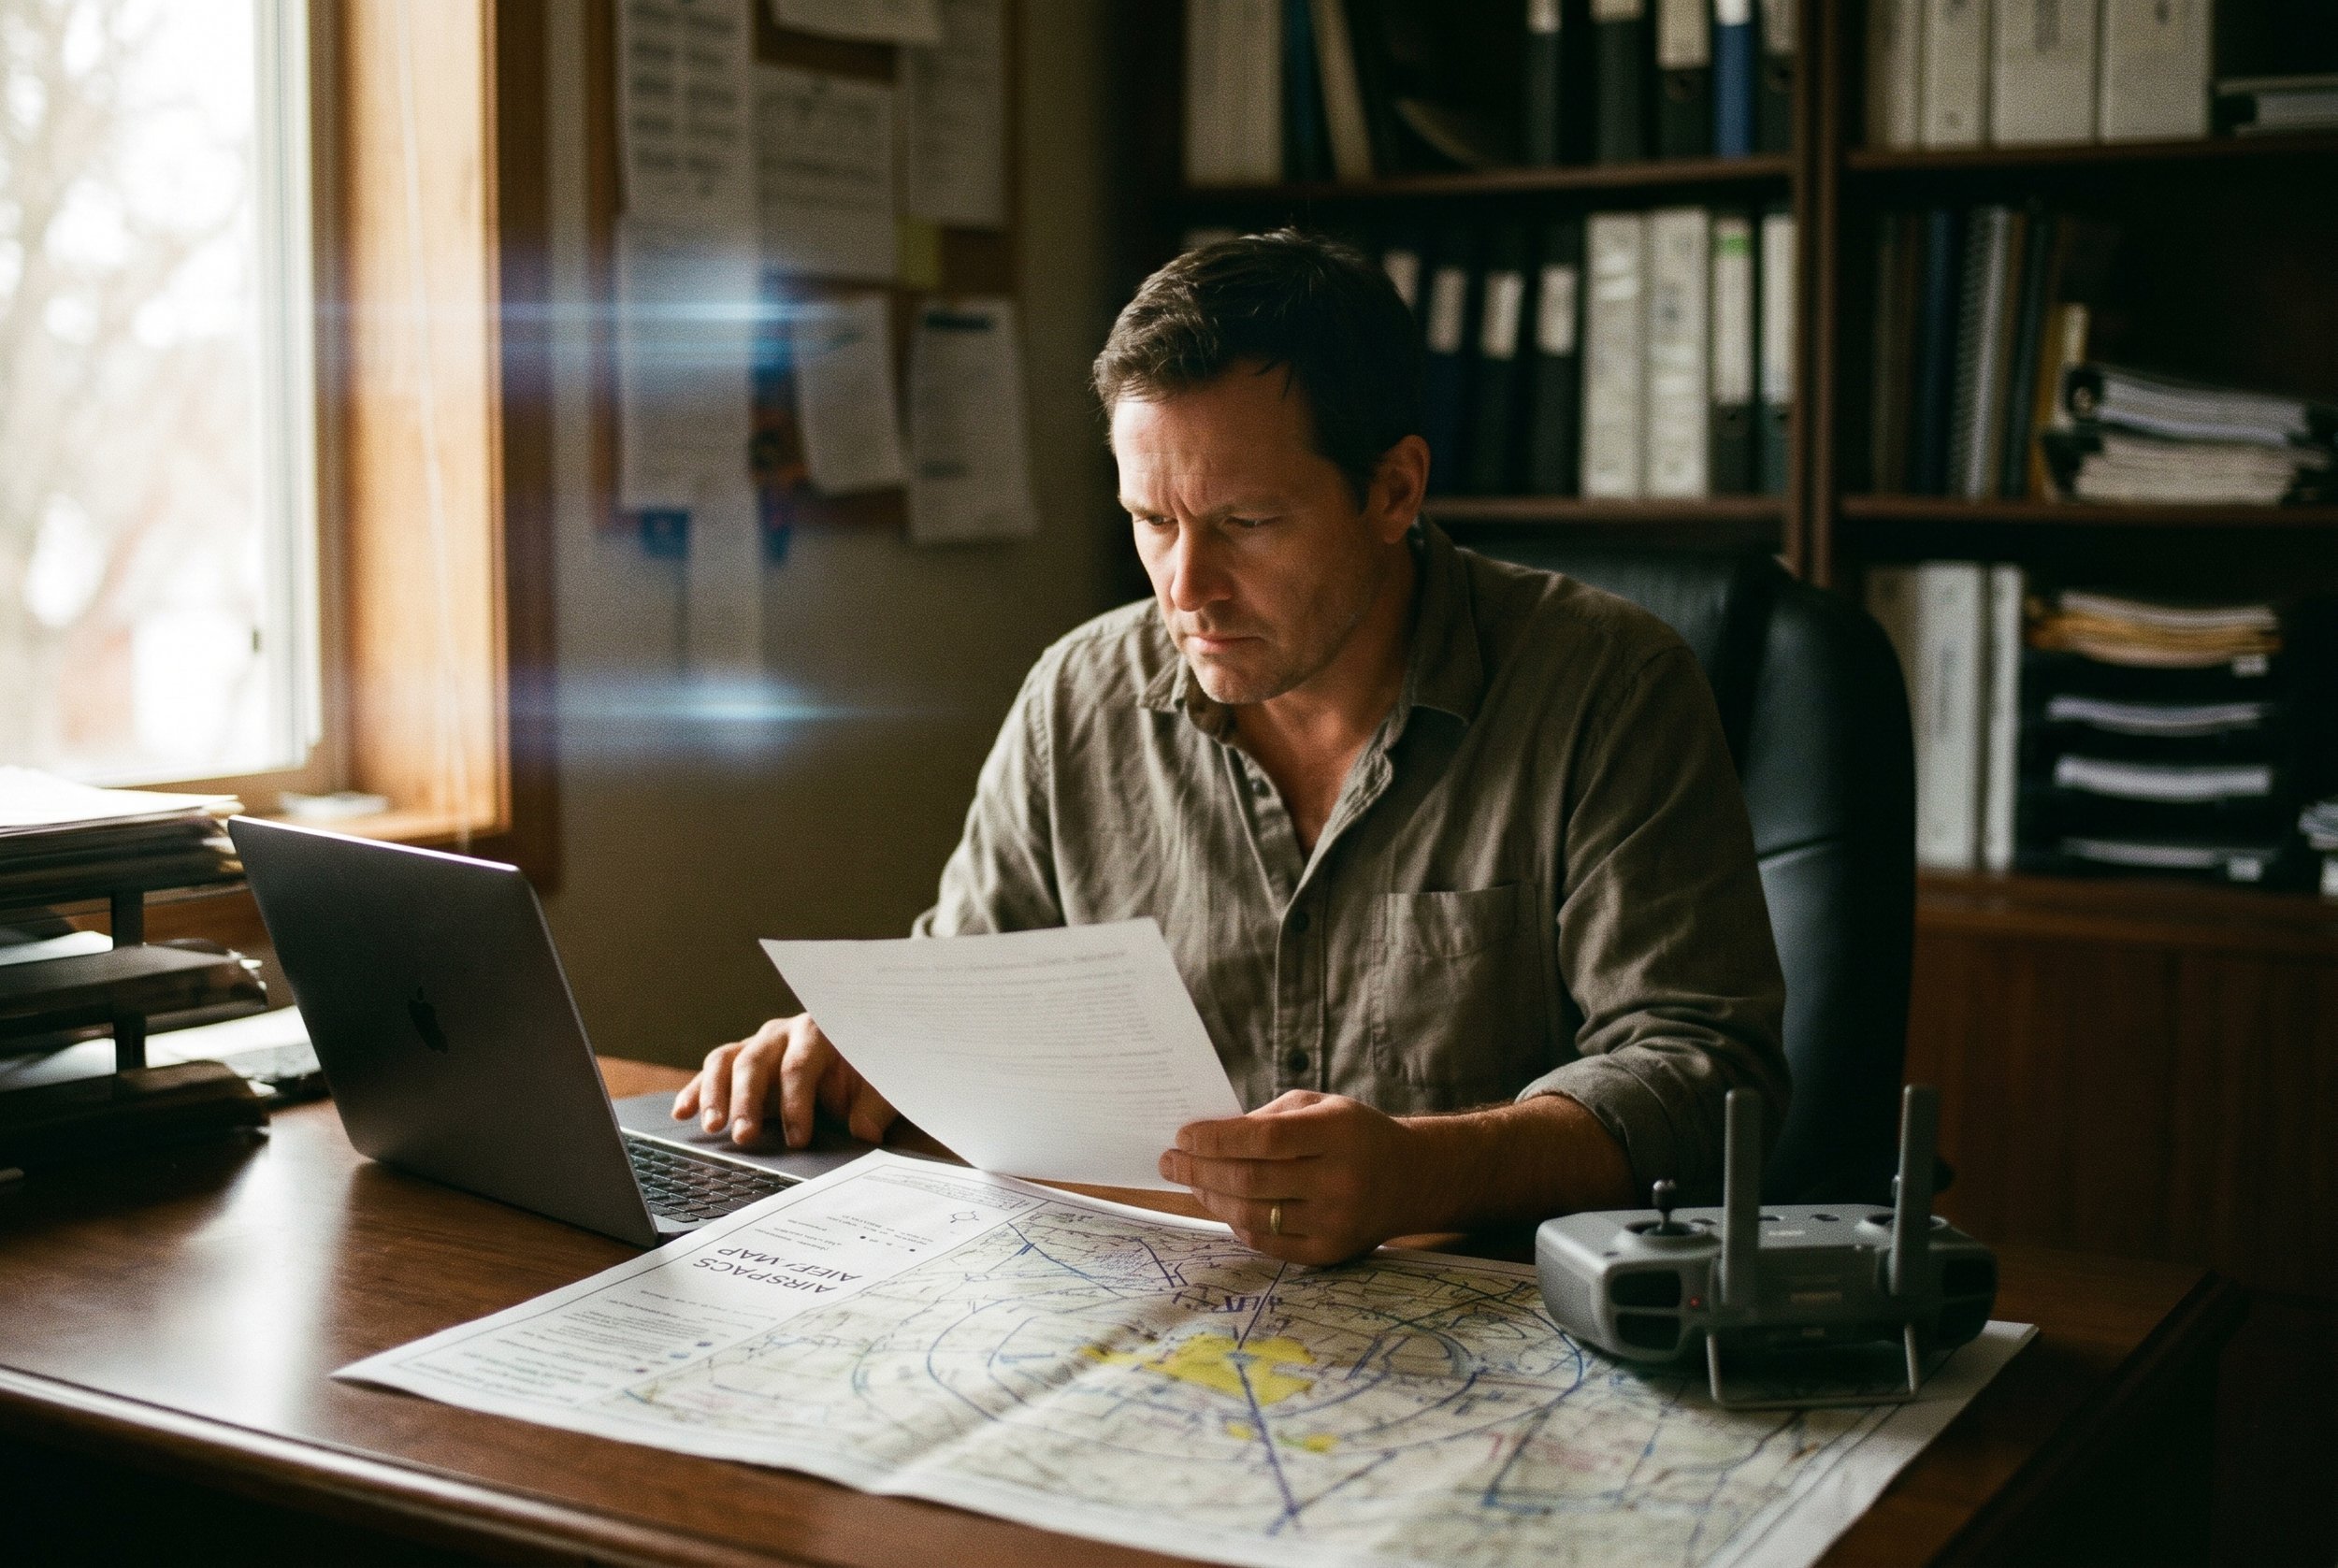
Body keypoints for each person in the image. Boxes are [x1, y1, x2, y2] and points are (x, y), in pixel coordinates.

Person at [675, 229, 1787, 1265]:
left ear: (1393, 489)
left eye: (1246, 524)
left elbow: (1702, 1074)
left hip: (1486, 1327)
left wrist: (1422, 1173)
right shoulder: (1078, 695)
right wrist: (857, 1047)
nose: (1186, 591)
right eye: (1152, 521)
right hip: (1148, 1307)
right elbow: (974, 1002)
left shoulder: (1606, 685)